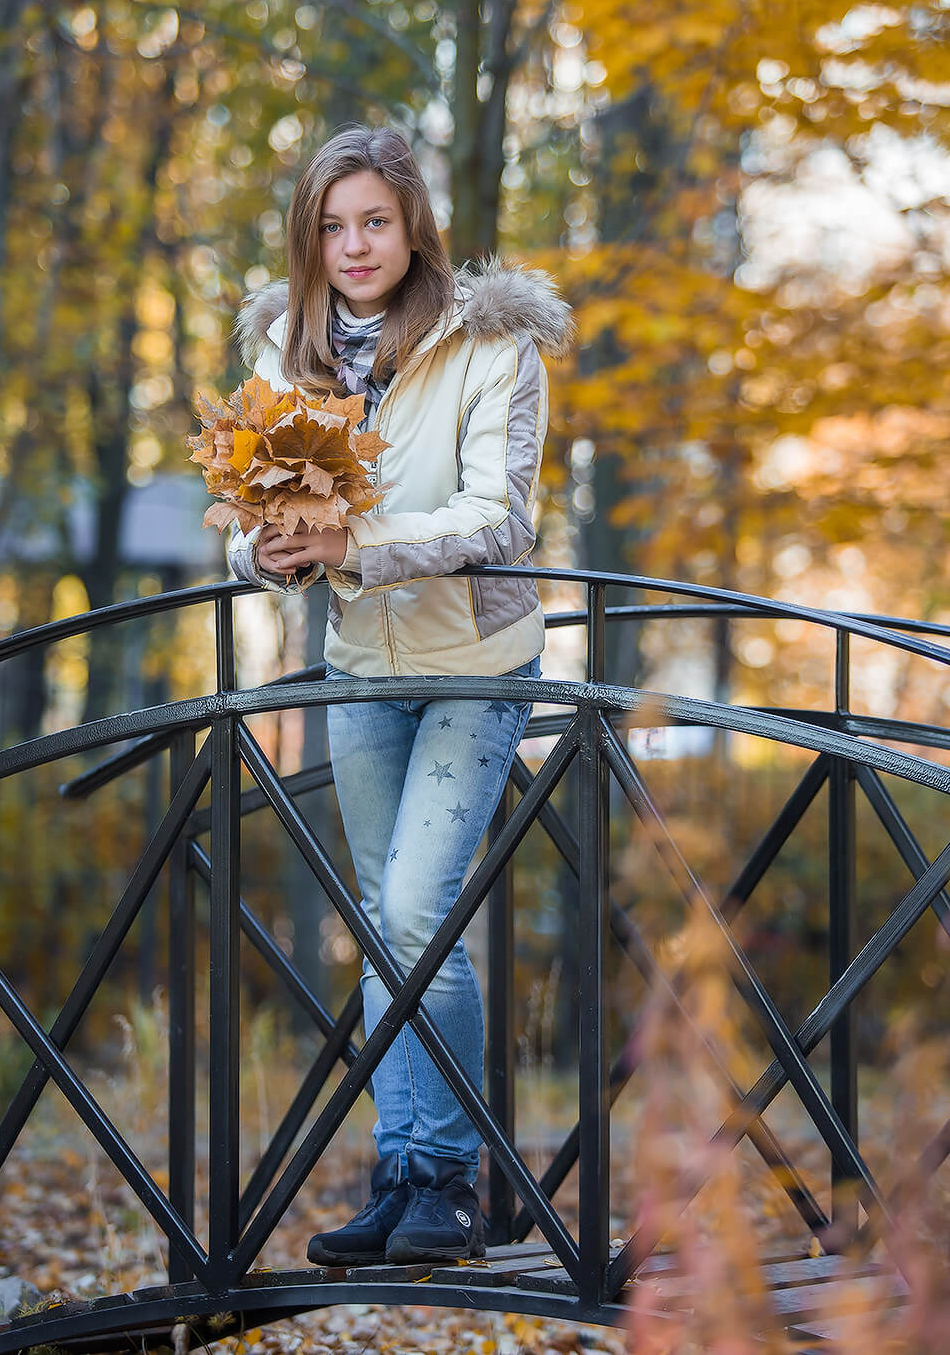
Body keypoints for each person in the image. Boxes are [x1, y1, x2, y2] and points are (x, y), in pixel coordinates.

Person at [228, 123, 574, 1267]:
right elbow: (249, 509)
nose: (353, 245)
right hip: (358, 667)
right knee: (383, 928)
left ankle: (455, 1185)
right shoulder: (287, 346)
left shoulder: (491, 345)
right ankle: (401, 1178)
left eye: (373, 220)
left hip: (474, 663)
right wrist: (264, 553)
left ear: (414, 223)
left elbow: (498, 518)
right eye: (331, 227)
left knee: (422, 911)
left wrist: (354, 538)